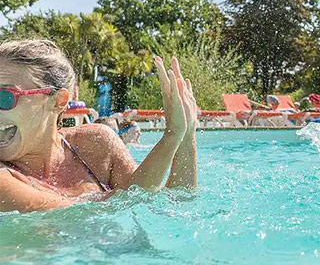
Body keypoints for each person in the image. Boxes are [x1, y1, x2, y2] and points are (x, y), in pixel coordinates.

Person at [0, 40, 198, 213]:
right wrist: (171, 137)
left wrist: (186, 136)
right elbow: (119, 205)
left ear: (58, 101)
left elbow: (174, 204)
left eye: (5, 97)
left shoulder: (96, 145)